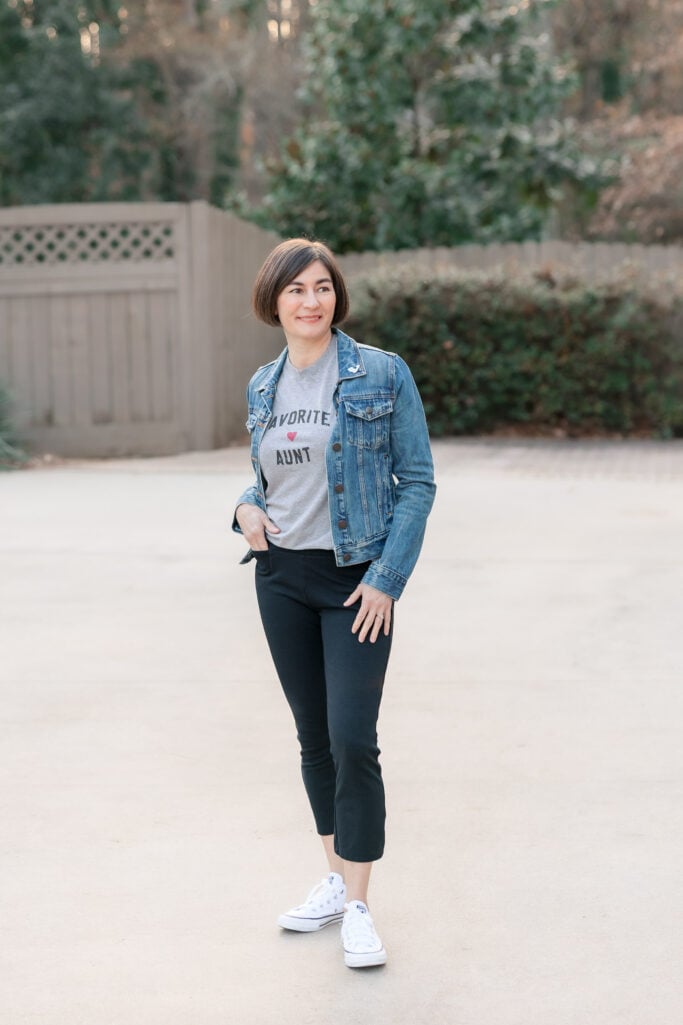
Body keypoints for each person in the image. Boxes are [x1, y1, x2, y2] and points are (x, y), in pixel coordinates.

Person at [233, 238, 435, 969]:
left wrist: (387, 577)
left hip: (355, 580)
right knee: (312, 738)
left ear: (334, 296)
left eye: (322, 287)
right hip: (280, 577)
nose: (311, 300)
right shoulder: (262, 384)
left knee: (354, 737)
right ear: (274, 301)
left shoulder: (381, 372)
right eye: (296, 290)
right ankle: (333, 874)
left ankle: (359, 906)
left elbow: (417, 480)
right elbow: (263, 476)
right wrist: (244, 509)